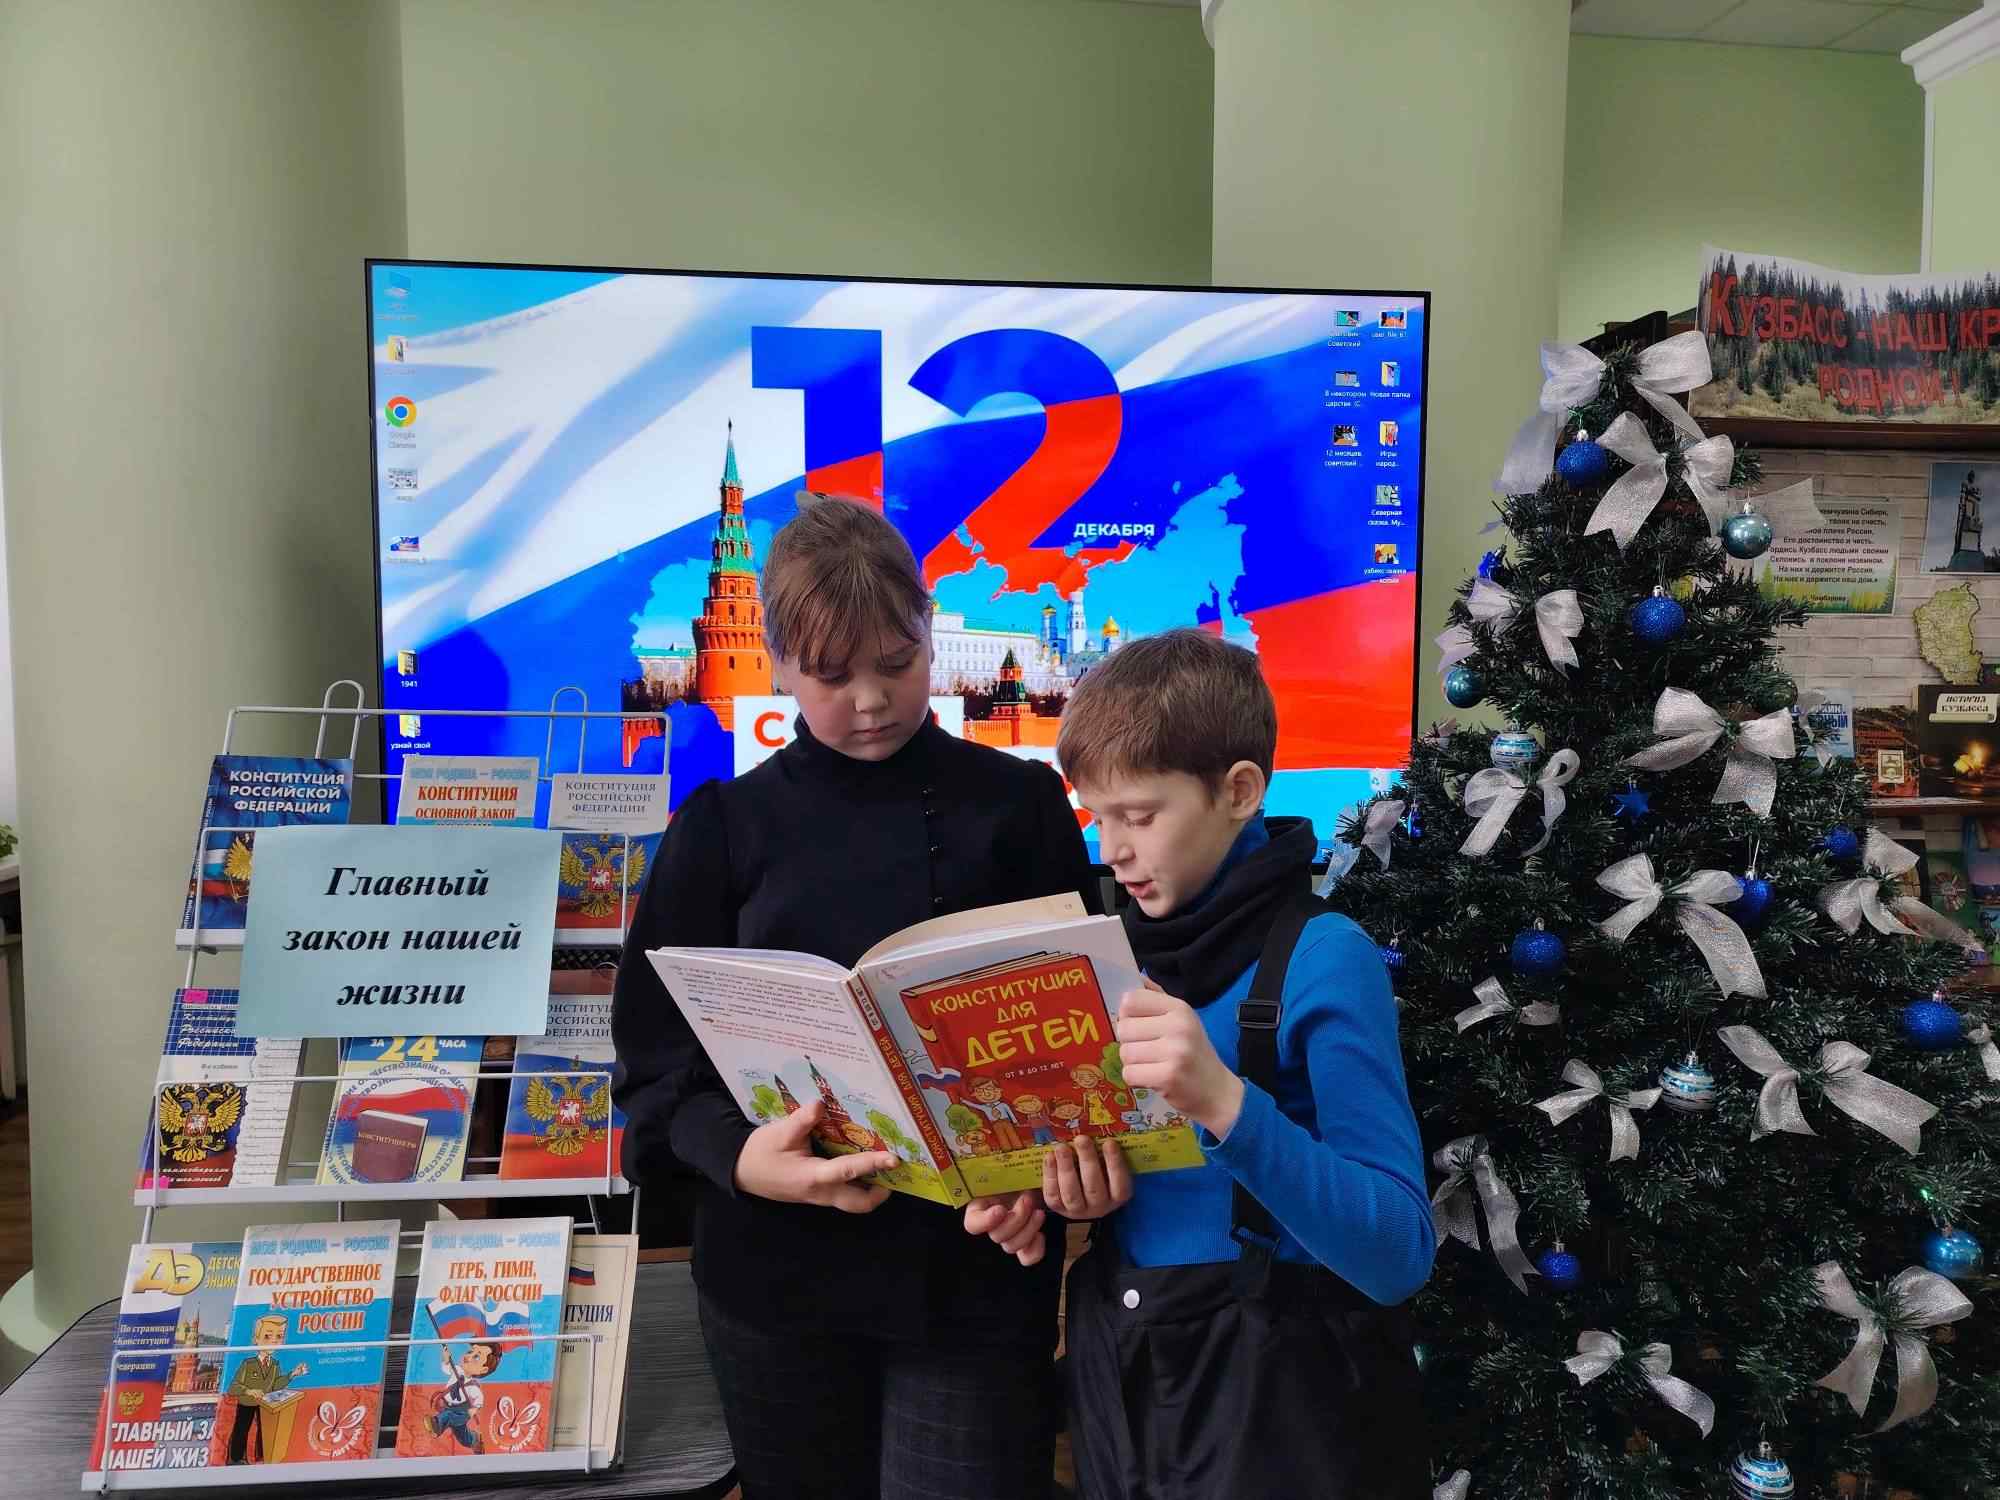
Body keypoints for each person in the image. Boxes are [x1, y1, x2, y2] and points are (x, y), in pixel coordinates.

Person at [612, 493, 1100, 1499]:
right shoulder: (721, 827)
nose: (871, 701)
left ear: (928, 634)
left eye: (898, 663)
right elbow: (655, 1075)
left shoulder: (1017, 806)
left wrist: (1032, 1180)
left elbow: (1075, 1043)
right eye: (832, 676)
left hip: (971, 1266)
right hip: (774, 1276)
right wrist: (742, 1159)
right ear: (779, 666)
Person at [968, 628, 1436, 1500]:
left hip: (1283, 1409)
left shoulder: (1327, 957)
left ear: (1239, 792)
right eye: (1097, 816)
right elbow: (1154, 1196)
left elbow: (1399, 1251)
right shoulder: (1104, 961)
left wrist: (1225, 1101)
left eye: (1140, 816)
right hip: (1129, 1386)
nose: (1112, 848)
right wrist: (1051, 1194)